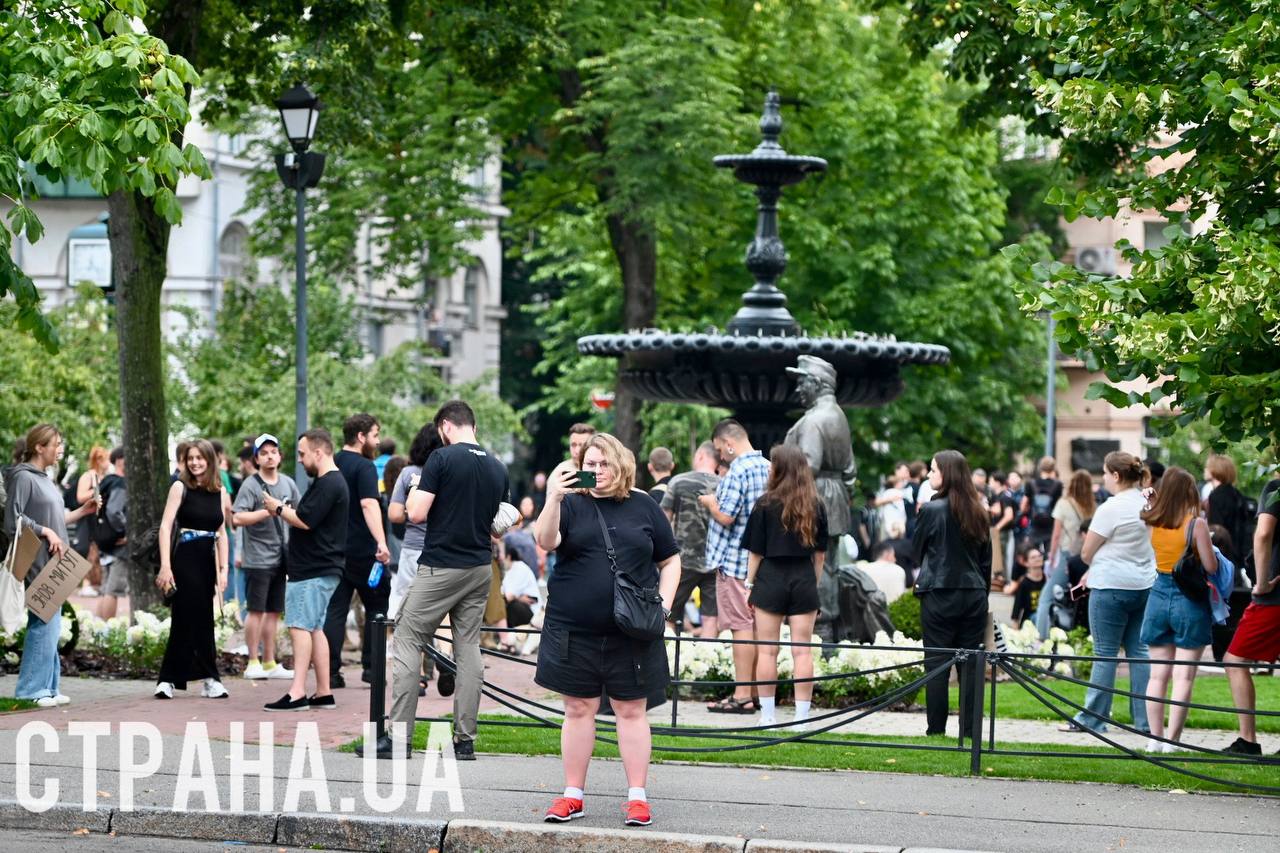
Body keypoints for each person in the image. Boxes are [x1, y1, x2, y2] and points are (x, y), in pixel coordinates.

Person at [533, 432, 679, 827]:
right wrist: (553, 498)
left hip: (631, 632)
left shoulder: (644, 506)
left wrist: (663, 606)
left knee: (631, 711)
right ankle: (572, 795)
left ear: (622, 465)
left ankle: (637, 797)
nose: (596, 471)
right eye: (590, 464)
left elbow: (670, 560)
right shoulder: (571, 503)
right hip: (572, 627)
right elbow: (545, 542)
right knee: (577, 709)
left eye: (603, 464)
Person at [362, 401, 510, 761]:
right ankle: (465, 741)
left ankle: (398, 739)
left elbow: (414, 513)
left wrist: (416, 488)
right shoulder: (496, 467)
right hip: (478, 566)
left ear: (445, 426)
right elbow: (497, 521)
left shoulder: (440, 460)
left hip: (441, 563)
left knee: (409, 638)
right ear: (472, 426)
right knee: (468, 646)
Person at [5, 425, 98, 707]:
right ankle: (31, 690)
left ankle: (49, 687)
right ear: (39, 447)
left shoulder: (46, 479)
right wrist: (46, 531)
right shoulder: (22, 476)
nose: (60, 449)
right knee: (44, 621)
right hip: (36, 557)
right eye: (55, 444)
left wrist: (83, 511)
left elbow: (57, 519)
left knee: (52, 623)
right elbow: (13, 521)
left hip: (56, 559)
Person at [1065, 451, 1153, 734]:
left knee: (1105, 653)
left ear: (1115, 476)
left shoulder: (1111, 508)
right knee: (1139, 653)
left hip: (1110, 585)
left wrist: (1098, 560)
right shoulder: (1149, 503)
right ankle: (1144, 721)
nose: (1102, 478)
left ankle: (1093, 719)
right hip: (1144, 583)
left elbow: (1087, 551)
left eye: (1104, 472)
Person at [261, 429, 346, 711]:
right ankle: (323, 692)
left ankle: (297, 692)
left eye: (302, 453)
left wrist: (277, 508)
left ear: (318, 453)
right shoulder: (328, 482)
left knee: (299, 627)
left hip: (313, 569)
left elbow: (306, 520)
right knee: (314, 628)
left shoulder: (329, 483)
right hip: (319, 568)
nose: (299, 459)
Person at [742, 445, 826, 728]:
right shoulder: (816, 505)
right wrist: (811, 584)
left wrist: (748, 584)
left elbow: (755, 553)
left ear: (781, 469)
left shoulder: (765, 503)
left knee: (767, 650)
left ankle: (767, 716)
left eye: (772, 463)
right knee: (802, 651)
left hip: (770, 578)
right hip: (803, 578)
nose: (768, 467)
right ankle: (801, 719)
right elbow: (820, 555)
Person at [912, 449, 992, 738]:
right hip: (972, 594)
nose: (929, 474)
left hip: (939, 592)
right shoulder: (979, 511)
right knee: (971, 667)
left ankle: (936, 729)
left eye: (933, 470)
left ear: (946, 473)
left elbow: (915, 551)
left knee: (937, 665)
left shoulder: (931, 511)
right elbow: (986, 561)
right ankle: (969, 733)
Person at [1140, 466, 1219, 751]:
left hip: (1158, 594)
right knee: (1183, 675)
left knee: (1157, 675)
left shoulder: (1154, 520)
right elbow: (1211, 566)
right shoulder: (1195, 524)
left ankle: (1154, 739)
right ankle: (1172, 740)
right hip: (1188, 598)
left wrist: (1150, 500)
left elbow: (1150, 510)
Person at [701, 419, 771, 714]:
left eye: (719, 449)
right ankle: (754, 691)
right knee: (755, 628)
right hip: (761, 563)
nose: (720, 456)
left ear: (729, 443)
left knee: (740, 629)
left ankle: (742, 695)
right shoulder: (769, 467)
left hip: (733, 560)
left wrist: (708, 502)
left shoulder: (738, 470)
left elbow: (726, 515)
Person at [154, 439, 232, 701]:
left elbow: (222, 532)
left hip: (208, 560)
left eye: (200, 458)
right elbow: (166, 527)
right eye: (191, 458)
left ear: (210, 461)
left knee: (203, 618)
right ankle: (171, 680)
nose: (195, 462)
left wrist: (224, 569)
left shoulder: (219, 491)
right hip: (185, 558)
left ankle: (207, 679)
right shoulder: (179, 486)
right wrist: (166, 566)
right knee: (186, 617)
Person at [324, 413, 392, 689]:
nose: (377, 441)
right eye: (375, 435)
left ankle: (331, 671)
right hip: (365, 551)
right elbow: (369, 505)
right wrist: (381, 542)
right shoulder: (365, 467)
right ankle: (372, 669)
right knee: (377, 607)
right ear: (361, 436)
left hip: (335, 550)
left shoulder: (332, 462)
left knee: (336, 611)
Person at [231, 434, 300, 681]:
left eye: (274, 451)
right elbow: (236, 518)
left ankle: (270, 661)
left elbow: (297, 513)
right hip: (258, 559)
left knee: (273, 611)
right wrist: (265, 512)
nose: (270, 456)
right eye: (264, 453)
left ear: (280, 456)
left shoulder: (288, 484)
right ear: (257, 459)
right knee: (256, 611)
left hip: (282, 557)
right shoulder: (251, 485)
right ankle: (252, 661)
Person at [1221, 473, 1280, 755]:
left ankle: (1248, 741)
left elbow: (1264, 533)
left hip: (1275, 596)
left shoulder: (1276, 488)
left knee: (1235, 659)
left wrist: (1262, 581)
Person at [387, 423, 444, 691]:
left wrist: (414, 513)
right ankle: (445, 657)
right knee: (443, 612)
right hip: (442, 549)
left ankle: (419, 675)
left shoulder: (408, 474)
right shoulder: (448, 471)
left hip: (412, 549)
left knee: (411, 614)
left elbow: (394, 514)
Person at [660, 441, 721, 638]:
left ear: (701, 456)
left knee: (668, 614)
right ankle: (708, 662)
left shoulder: (678, 481)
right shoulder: (725, 485)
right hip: (715, 562)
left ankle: (669, 660)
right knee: (711, 619)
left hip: (681, 562)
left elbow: (663, 520)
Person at [1036, 469, 1096, 637]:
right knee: (1079, 595)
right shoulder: (1092, 506)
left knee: (1046, 597)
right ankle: (1082, 636)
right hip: (1085, 558)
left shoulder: (1064, 503)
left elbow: (1056, 535)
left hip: (1067, 555)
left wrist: (1051, 557)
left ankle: (1041, 637)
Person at [96, 447, 130, 620]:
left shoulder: (106, 481)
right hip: (118, 542)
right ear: (119, 460)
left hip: (104, 539)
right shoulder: (120, 483)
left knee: (106, 588)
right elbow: (114, 511)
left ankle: (98, 630)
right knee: (113, 590)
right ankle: (107, 631)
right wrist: (126, 532)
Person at [1203, 454, 1248, 566]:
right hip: (1238, 554)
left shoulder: (1216, 496)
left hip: (1223, 556)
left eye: (1208, 467)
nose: (1205, 469)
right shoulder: (1237, 494)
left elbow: (1217, 532)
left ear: (1215, 470)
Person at [498, 539, 542, 649]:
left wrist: (515, 597)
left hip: (532, 614)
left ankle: (508, 640)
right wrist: (519, 597)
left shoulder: (519, 568)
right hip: (525, 608)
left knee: (508, 605)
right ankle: (508, 638)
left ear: (508, 556)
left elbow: (509, 596)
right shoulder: (512, 570)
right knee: (505, 604)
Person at [1022, 456, 1062, 552]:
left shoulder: (1030, 484)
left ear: (1040, 468)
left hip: (1034, 525)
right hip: (1050, 525)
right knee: (1049, 557)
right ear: (1053, 468)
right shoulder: (1058, 485)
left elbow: (1023, 506)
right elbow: (1059, 506)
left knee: (1032, 554)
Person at [1005, 541, 1047, 627]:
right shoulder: (1024, 583)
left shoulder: (1047, 580)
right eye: (1033, 557)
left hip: (1045, 618)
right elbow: (1017, 609)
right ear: (1026, 563)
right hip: (1030, 622)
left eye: (1039, 556)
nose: (1038, 558)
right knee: (1037, 616)